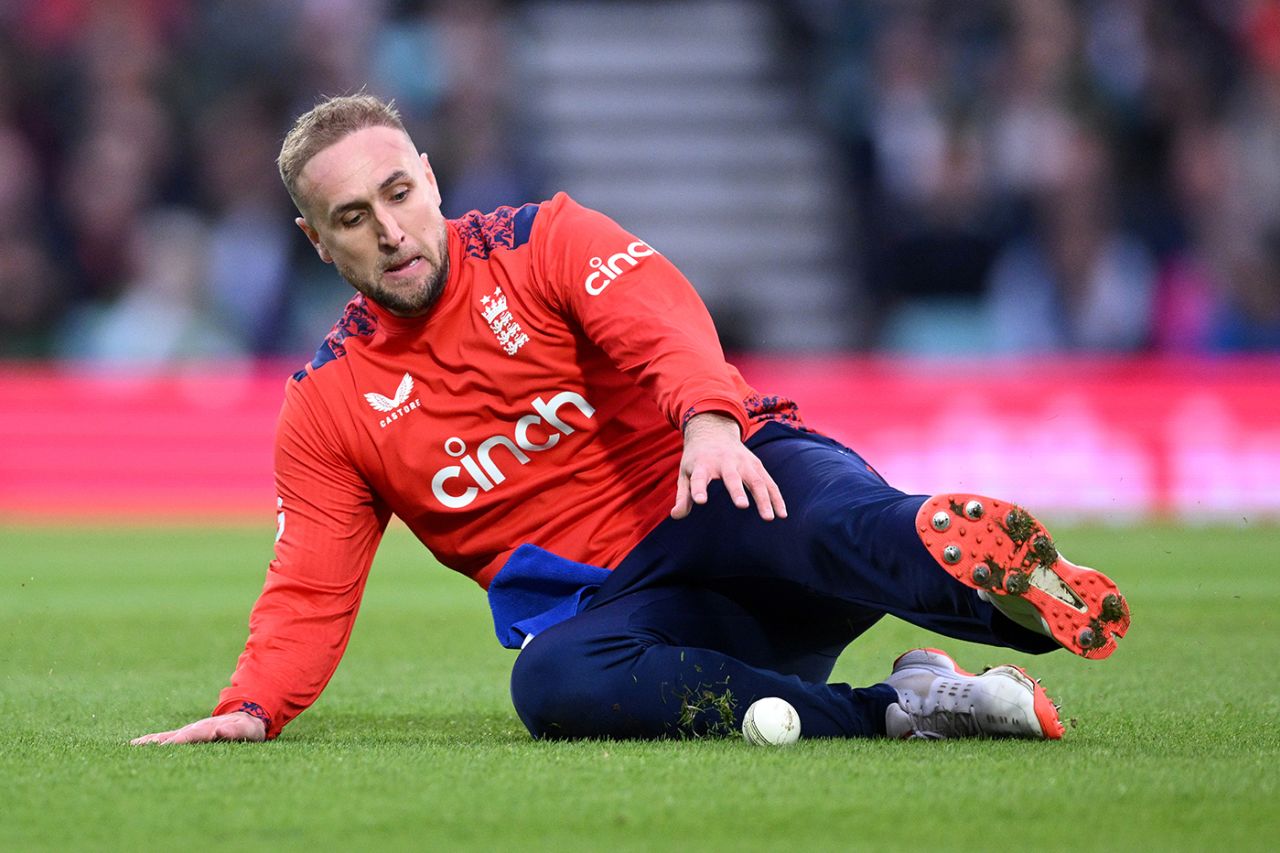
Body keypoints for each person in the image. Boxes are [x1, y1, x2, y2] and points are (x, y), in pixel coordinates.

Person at [131, 94, 1130, 746]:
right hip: (665, 623)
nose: (390, 230)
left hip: (732, 490)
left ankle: (1006, 590)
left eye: (398, 193)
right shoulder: (327, 406)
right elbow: (307, 582)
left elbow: (661, 318)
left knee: (839, 523)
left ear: (429, 179)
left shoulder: (544, 240)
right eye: (352, 217)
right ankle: (906, 709)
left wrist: (707, 420)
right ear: (316, 241)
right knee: (551, 684)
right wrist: (251, 707)